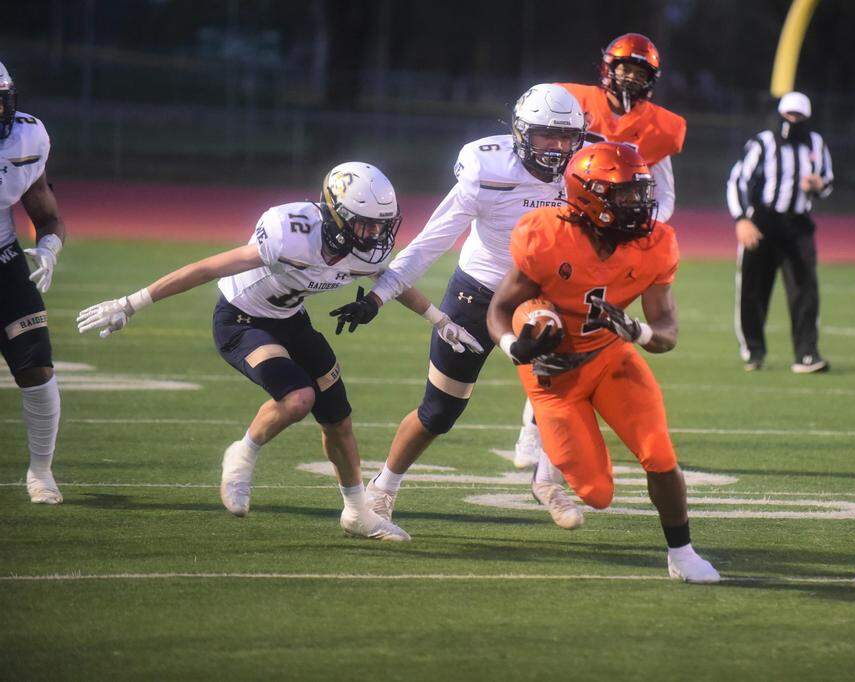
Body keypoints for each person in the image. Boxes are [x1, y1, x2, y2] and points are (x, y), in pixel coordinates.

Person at [76, 162, 464, 540]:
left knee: (338, 419)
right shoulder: (289, 232)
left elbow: (394, 281)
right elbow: (208, 268)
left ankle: (357, 512)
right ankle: (242, 454)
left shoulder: (364, 251)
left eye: (381, 224)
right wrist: (131, 303)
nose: (375, 234)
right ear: (337, 215)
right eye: (366, 223)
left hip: (291, 320)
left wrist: (440, 320)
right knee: (298, 398)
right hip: (241, 321)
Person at [328, 85, 589, 534]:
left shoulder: (585, 171)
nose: (558, 147)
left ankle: (546, 479)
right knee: (439, 411)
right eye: (547, 135)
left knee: (567, 386)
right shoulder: (487, 169)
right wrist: (379, 295)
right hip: (479, 293)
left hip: (544, 297)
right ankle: (383, 488)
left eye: (567, 136)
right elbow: (431, 240)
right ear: (521, 132)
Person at [487, 142, 720, 583]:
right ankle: (543, 459)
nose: (640, 204)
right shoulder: (546, 235)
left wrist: (637, 331)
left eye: (642, 192)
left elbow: (667, 331)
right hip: (554, 376)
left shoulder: (655, 244)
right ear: (589, 196)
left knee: (660, 454)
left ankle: (682, 553)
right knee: (597, 494)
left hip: (611, 358)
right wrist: (515, 348)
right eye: (627, 194)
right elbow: (500, 309)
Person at [510, 33, 691, 471]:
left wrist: (637, 230)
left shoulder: (661, 128)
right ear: (608, 68)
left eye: (639, 71)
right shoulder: (573, 100)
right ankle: (534, 427)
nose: (630, 77)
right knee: (547, 325)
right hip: (565, 227)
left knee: (587, 333)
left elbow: (663, 195)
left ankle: (548, 440)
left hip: (614, 241)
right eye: (624, 68)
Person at [0, 60, 68, 505]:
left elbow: (46, 214)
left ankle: (40, 471)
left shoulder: (27, 137)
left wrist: (48, 248)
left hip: (3, 259)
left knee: (37, 365)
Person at [726, 91, 833, 374]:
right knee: (753, 289)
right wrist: (741, 219)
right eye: (789, 114)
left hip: (798, 224)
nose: (793, 120)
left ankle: (806, 354)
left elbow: (827, 180)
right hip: (762, 222)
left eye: (799, 115)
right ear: (780, 115)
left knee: (805, 290)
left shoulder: (816, 143)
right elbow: (738, 181)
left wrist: (819, 186)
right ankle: (754, 350)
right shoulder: (763, 143)